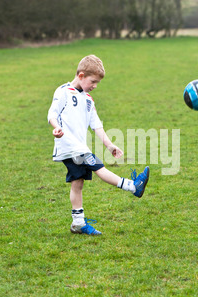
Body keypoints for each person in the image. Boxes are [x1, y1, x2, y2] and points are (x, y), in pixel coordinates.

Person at [47, 55, 150, 236]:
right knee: (98, 166)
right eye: (92, 81)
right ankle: (133, 186)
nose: (95, 86)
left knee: (77, 183)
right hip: (69, 146)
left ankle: (78, 223)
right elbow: (52, 114)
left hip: (79, 147)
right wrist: (56, 128)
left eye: (97, 83)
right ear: (81, 75)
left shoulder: (88, 100)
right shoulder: (63, 91)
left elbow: (96, 125)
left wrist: (109, 145)